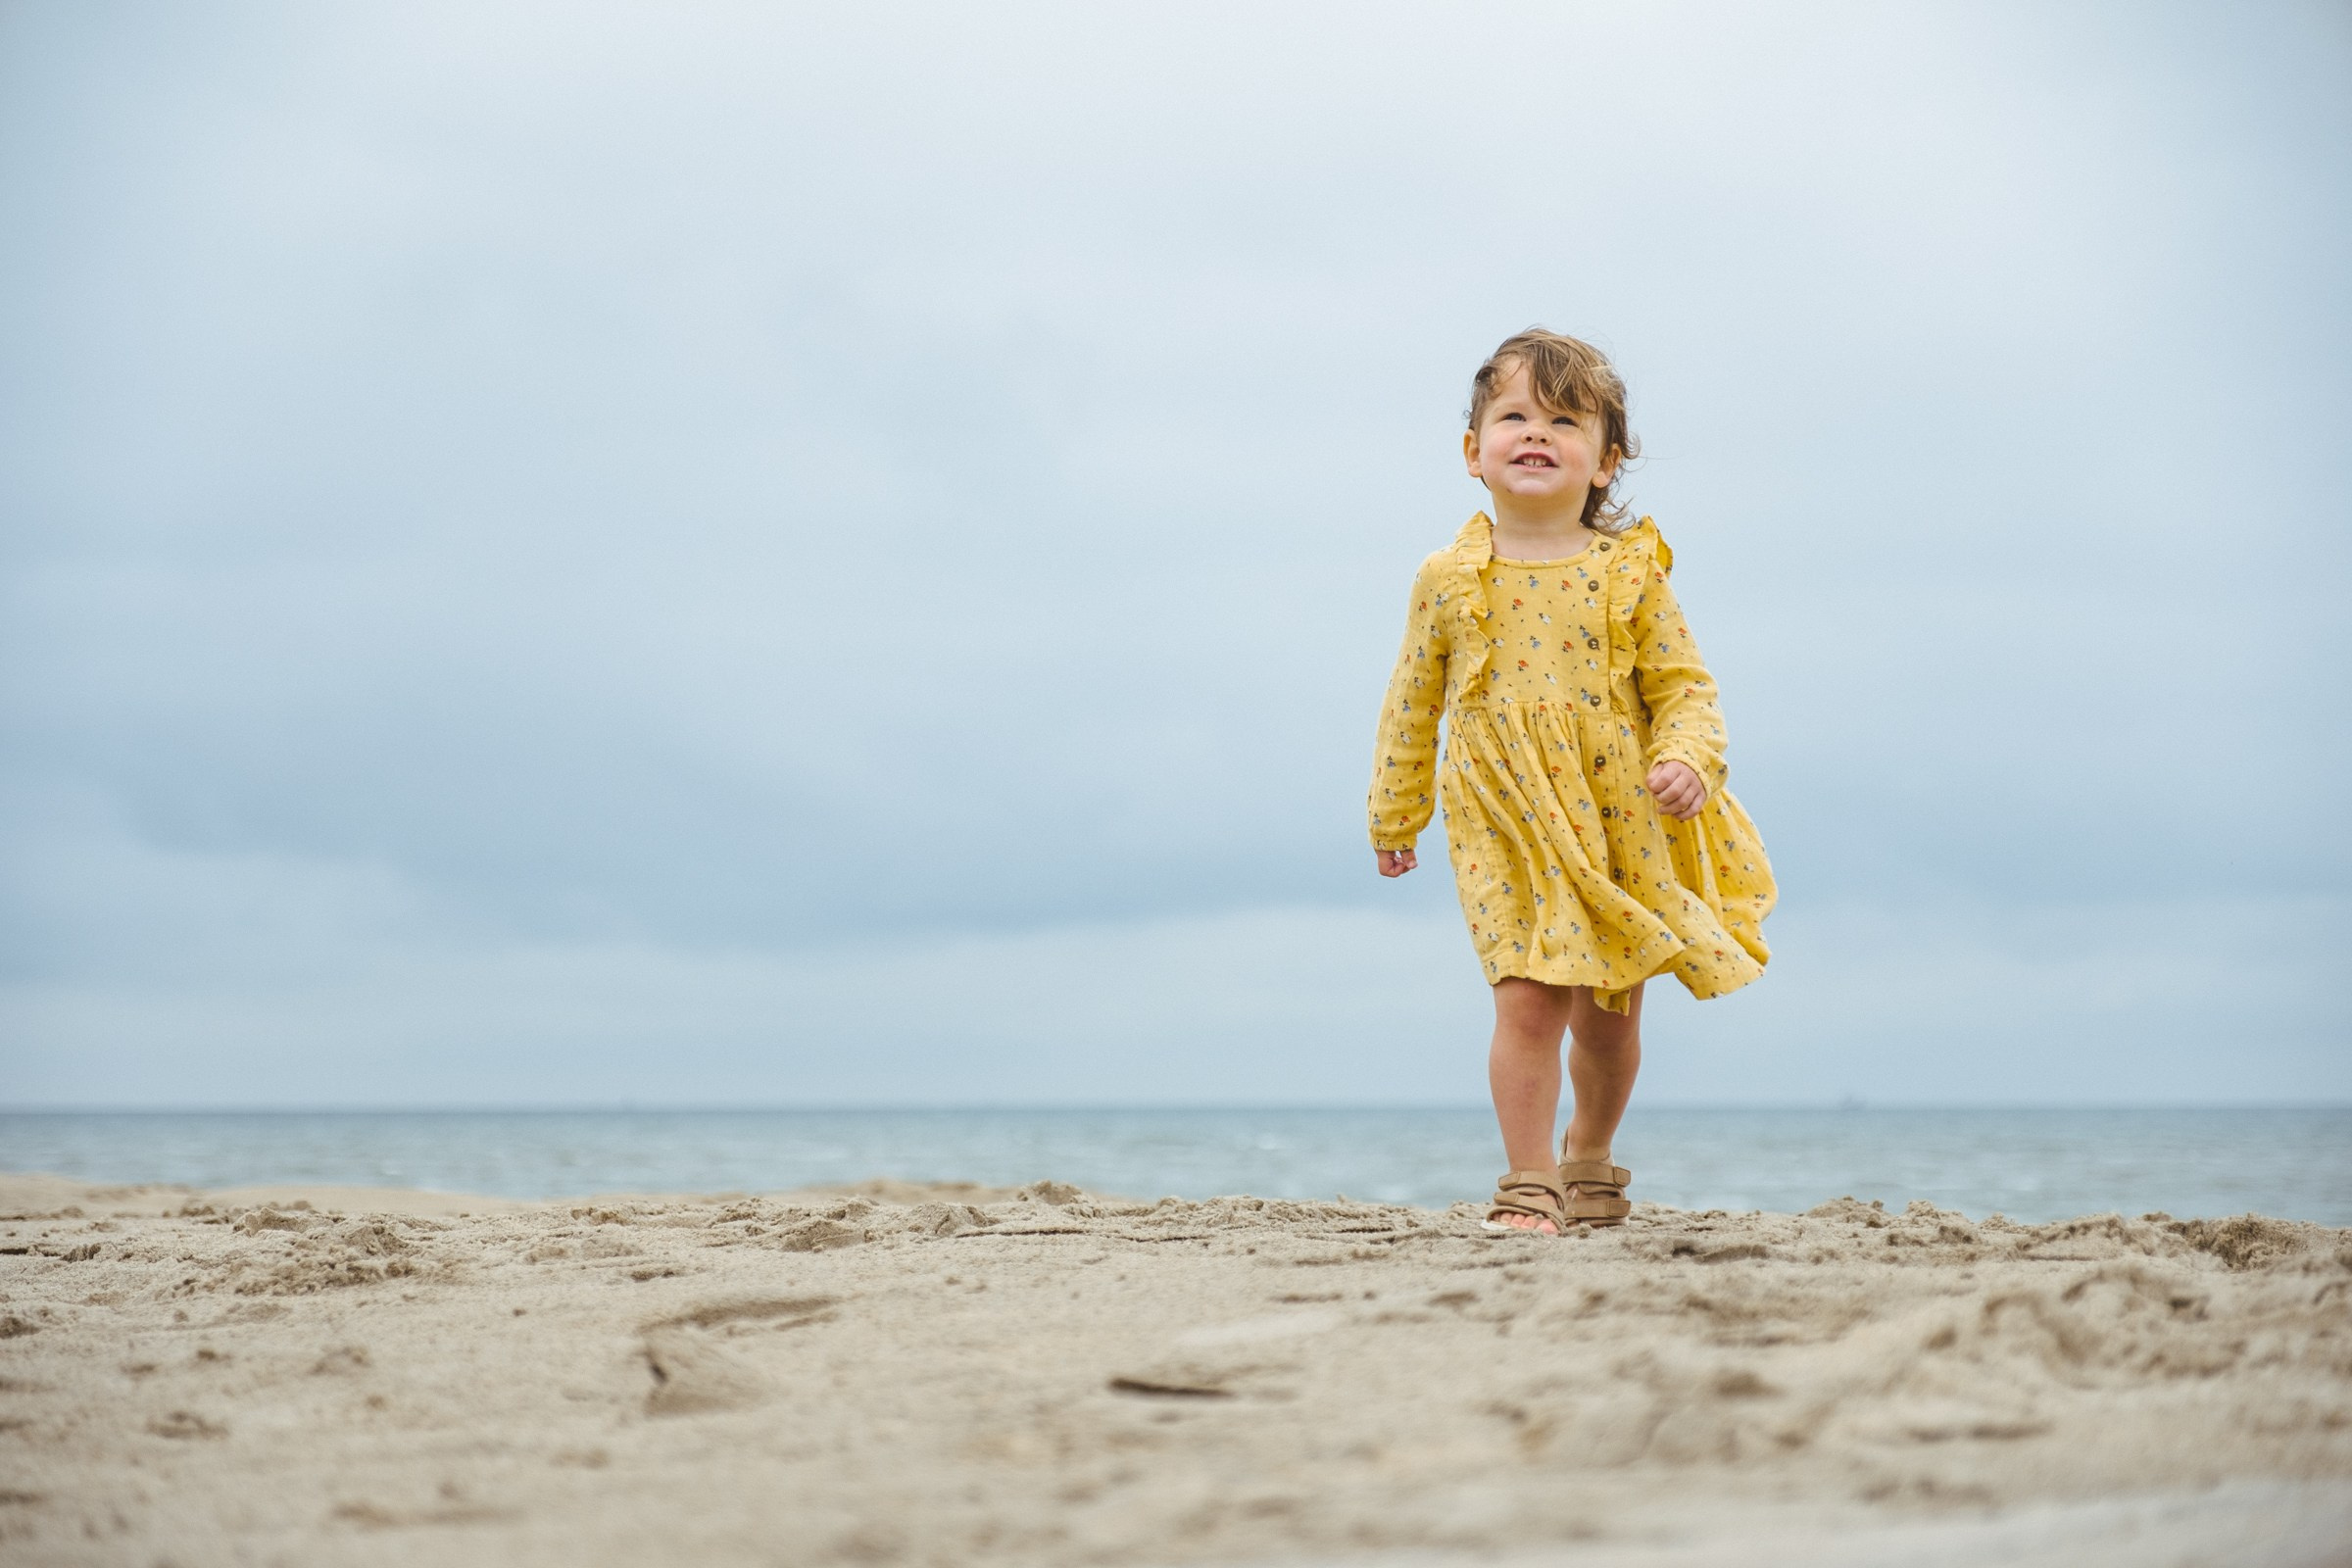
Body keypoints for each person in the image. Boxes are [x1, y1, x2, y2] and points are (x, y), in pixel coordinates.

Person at [1369, 328, 1776, 1236]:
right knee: (1527, 995)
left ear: (1606, 461)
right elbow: (1411, 701)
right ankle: (1528, 1182)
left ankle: (1588, 1155)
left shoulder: (1626, 574)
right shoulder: (1446, 579)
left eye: (1563, 418)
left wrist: (1687, 760)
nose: (1535, 432)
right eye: (1511, 415)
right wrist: (1396, 812)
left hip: (1611, 815)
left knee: (1606, 1013)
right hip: (1503, 813)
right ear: (1474, 453)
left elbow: (1683, 687)